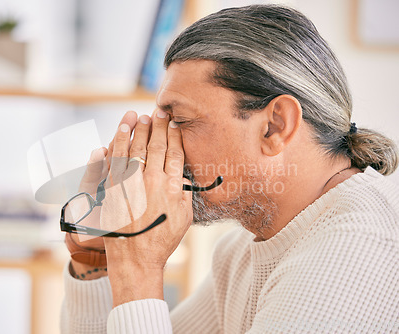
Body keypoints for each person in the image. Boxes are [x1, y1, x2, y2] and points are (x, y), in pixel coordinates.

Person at [60, 5, 399, 333]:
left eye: (179, 120)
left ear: (275, 126)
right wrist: (98, 256)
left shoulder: (354, 250)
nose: (158, 146)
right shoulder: (241, 249)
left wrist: (139, 267)